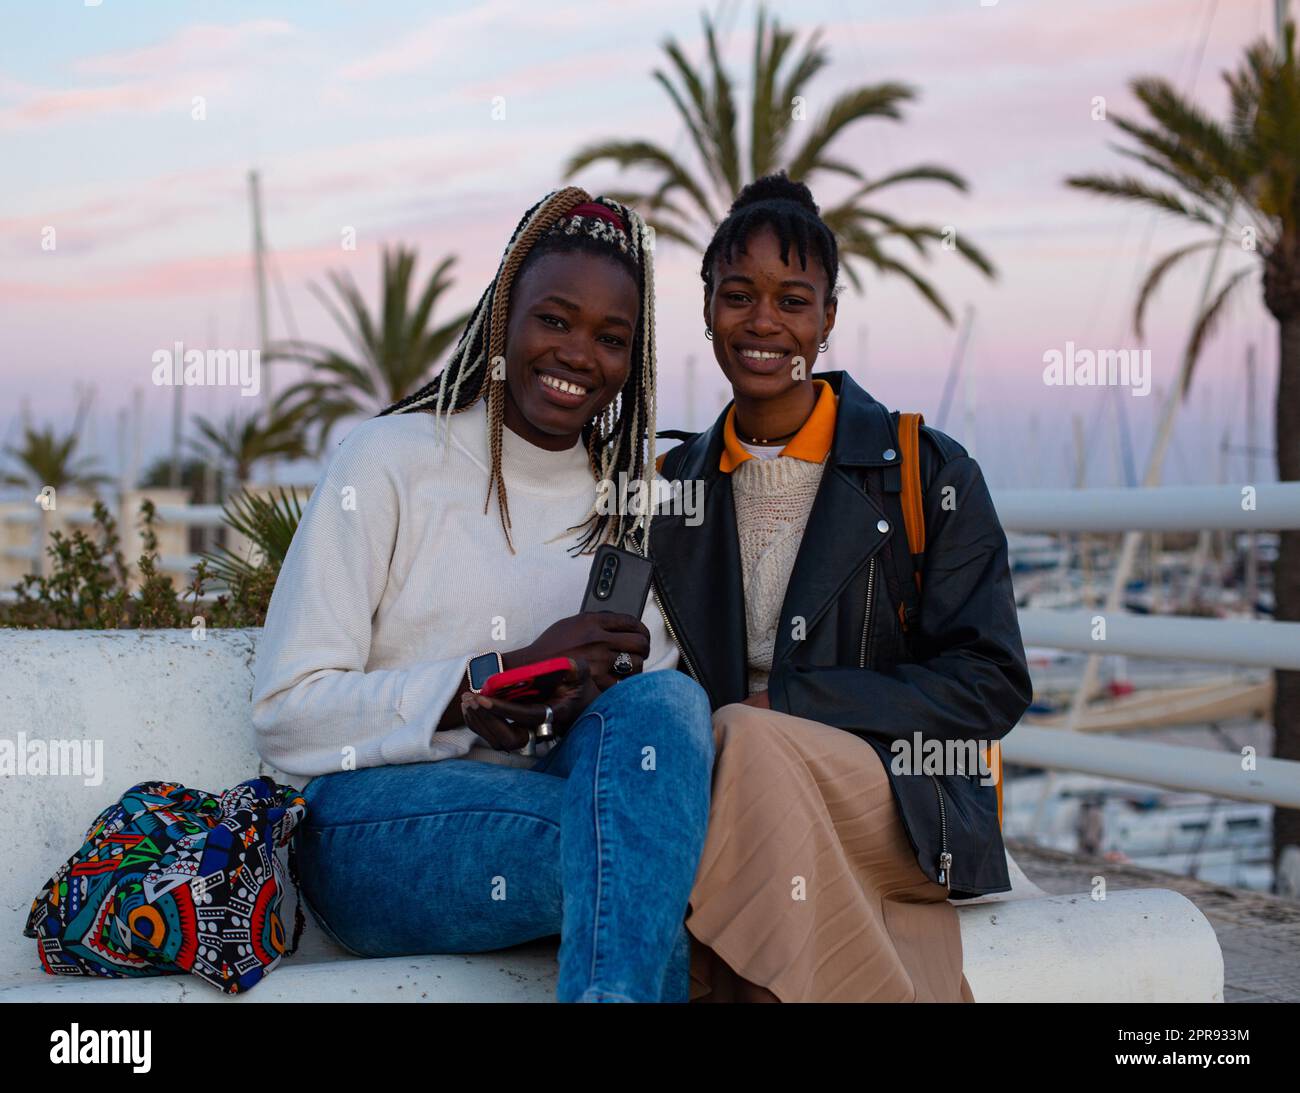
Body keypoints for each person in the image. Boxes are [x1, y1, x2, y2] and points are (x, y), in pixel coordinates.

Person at [251, 188, 713, 1003]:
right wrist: (475, 688)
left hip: (549, 806)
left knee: (667, 709)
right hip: (374, 830)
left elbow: (649, 749)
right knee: (636, 856)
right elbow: (286, 712)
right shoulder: (389, 461)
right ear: (504, 317)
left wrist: (578, 688)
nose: (579, 354)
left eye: (612, 338)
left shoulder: (629, 499)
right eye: (556, 319)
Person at [651, 172, 1033, 1002]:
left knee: (747, 743)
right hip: (727, 784)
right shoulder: (670, 484)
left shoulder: (925, 471)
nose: (763, 322)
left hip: (904, 798)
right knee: (729, 755)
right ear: (707, 306)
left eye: (793, 300)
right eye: (737, 295)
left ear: (827, 319)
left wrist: (791, 705)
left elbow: (991, 682)